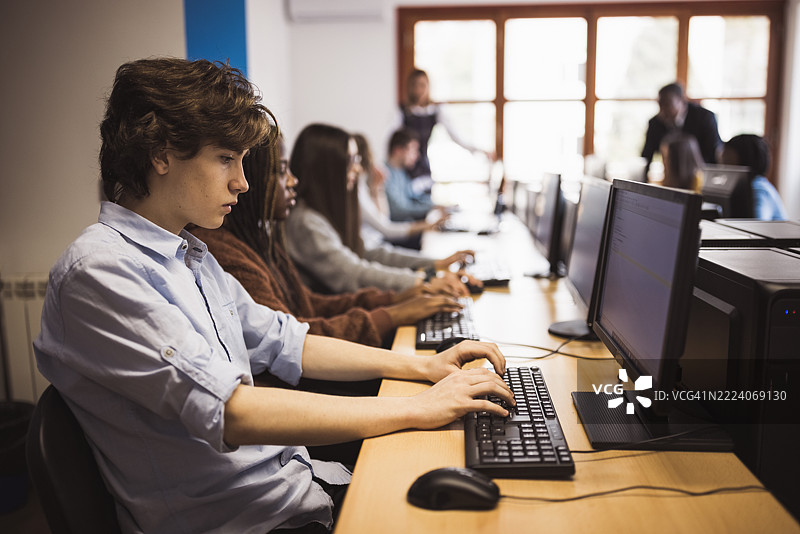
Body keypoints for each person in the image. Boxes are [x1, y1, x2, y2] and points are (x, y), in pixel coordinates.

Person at [32, 57, 513, 534]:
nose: (243, 181)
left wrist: (424, 368)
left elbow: (290, 340)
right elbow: (232, 411)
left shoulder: (190, 254)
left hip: (294, 487)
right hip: (249, 522)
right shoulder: (100, 271)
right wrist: (419, 406)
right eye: (226, 159)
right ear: (160, 154)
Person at [192, 138, 461, 350]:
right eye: (283, 171)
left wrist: (403, 295)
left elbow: (309, 303)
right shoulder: (299, 225)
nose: (358, 169)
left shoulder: (263, 237)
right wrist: (401, 303)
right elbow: (292, 337)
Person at [285, 123, 477, 295]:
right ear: (328, 168)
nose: (359, 169)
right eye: (352, 161)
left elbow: (370, 253)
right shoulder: (306, 223)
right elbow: (354, 273)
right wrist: (426, 280)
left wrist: (435, 265)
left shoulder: (324, 215)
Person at [390, 68, 494, 181]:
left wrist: (480, 150)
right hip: (405, 170)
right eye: (415, 85)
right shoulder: (402, 112)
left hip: (424, 169)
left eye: (422, 85)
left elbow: (457, 136)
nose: (419, 90)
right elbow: (390, 140)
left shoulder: (435, 111)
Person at [353, 133, 445, 251]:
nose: (417, 156)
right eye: (413, 150)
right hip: (383, 240)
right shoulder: (362, 188)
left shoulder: (399, 174)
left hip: (381, 240)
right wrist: (428, 224)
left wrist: (377, 189)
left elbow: (384, 218)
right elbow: (392, 219)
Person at [642, 82, 722, 179]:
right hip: (670, 179)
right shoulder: (655, 123)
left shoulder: (704, 118)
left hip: (702, 176)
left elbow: (714, 152)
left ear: (681, 100)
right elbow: (647, 156)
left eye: (667, 104)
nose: (662, 110)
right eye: (660, 104)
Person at [719, 134, 788, 220]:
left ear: (744, 158)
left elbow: (757, 224)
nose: (723, 168)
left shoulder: (759, 188)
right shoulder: (740, 187)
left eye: (727, 161)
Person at [383, 127, 444, 222]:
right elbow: (399, 210)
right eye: (413, 150)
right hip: (398, 232)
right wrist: (432, 207)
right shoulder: (384, 173)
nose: (417, 155)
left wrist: (436, 205)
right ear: (398, 150)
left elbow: (414, 197)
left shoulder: (401, 173)